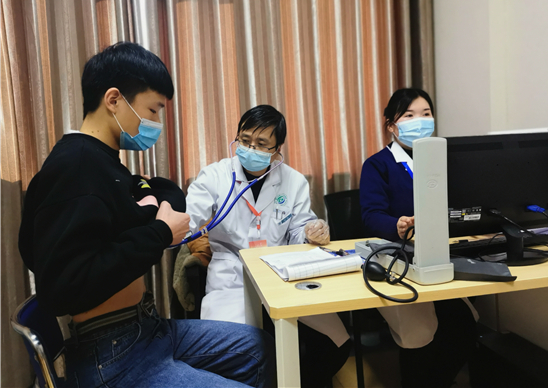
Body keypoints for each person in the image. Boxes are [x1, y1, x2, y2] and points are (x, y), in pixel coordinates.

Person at [18, 42, 275, 388]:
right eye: (152, 110)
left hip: (147, 329)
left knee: (259, 348)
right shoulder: (75, 168)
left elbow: (162, 190)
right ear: (114, 99)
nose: (156, 122)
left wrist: (151, 210)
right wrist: (159, 233)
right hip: (111, 353)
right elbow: (60, 287)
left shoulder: (104, 162)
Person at [184, 105, 351, 387]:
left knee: (335, 344)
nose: (251, 148)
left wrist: (311, 231)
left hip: (282, 274)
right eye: (245, 140)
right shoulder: (214, 176)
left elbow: (299, 229)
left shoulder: (293, 181)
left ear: (277, 149)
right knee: (231, 355)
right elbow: (188, 217)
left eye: (261, 144)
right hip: (233, 275)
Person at [359, 88, 478, 388]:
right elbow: (371, 215)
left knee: (463, 327)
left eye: (426, 114)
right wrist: (397, 225)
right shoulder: (377, 165)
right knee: (420, 334)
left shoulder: (445, 160)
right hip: (398, 259)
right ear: (391, 125)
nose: (420, 121)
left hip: (441, 254)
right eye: (409, 115)